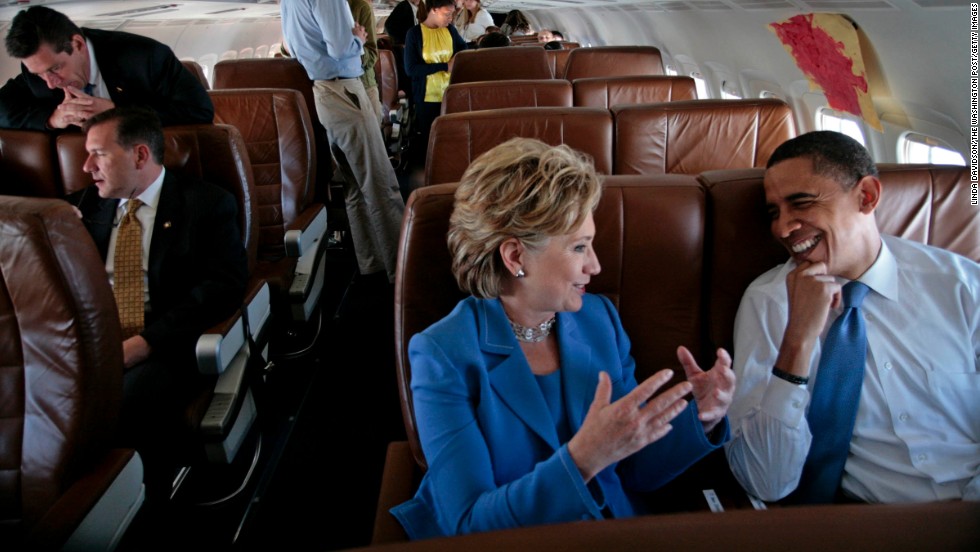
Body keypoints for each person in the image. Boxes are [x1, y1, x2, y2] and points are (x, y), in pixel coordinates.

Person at [391, 138, 735, 539]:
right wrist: (583, 459)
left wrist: (703, 418)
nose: (596, 265)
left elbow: (634, 471)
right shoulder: (442, 354)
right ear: (515, 257)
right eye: (579, 247)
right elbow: (469, 524)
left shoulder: (599, 320)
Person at [726, 131, 980, 504]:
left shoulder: (961, 286)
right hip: (868, 523)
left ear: (866, 196)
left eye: (802, 203)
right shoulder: (769, 302)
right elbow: (765, 481)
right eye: (774, 213)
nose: (782, 228)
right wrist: (798, 340)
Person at [72, 106, 247, 494]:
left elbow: (222, 287)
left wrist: (146, 342)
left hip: (165, 344)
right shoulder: (80, 209)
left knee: (124, 406)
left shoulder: (206, 204)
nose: (86, 166)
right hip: (93, 342)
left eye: (98, 154)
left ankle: (139, 501)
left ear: (139, 155)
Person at [281, 0, 406, 283]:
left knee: (354, 186)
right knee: (380, 183)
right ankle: (403, 269)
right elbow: (341, 48)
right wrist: (357, 40)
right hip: (344, 91)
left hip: (324, 93)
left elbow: (289, 46)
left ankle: (372, 262)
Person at [0, 6, 213, 131]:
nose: (50, 82)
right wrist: (53, 118)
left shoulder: (145, 57)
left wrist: (118, 113)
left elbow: (199, 110)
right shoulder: (36, 74)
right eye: (39, 74)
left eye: (55, 68)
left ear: (78, 44)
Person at [404, 0, 468, 167]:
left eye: (452, 14)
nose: (450, 18)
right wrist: (445, 66)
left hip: (452, 95)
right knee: (431, 139)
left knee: (453, 138)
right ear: (433, 10)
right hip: (427, 97)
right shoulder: (415, 34)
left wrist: (456, 58)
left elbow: (464, 48)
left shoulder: (450, 30)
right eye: (447, 14)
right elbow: (411, 69)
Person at [349, 0, 386, 125]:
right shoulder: (317, 7)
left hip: (363, 85)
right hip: (331, 88)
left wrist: (354, 45)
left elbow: (371, 56)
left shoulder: (360, 7)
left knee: (372, 140)